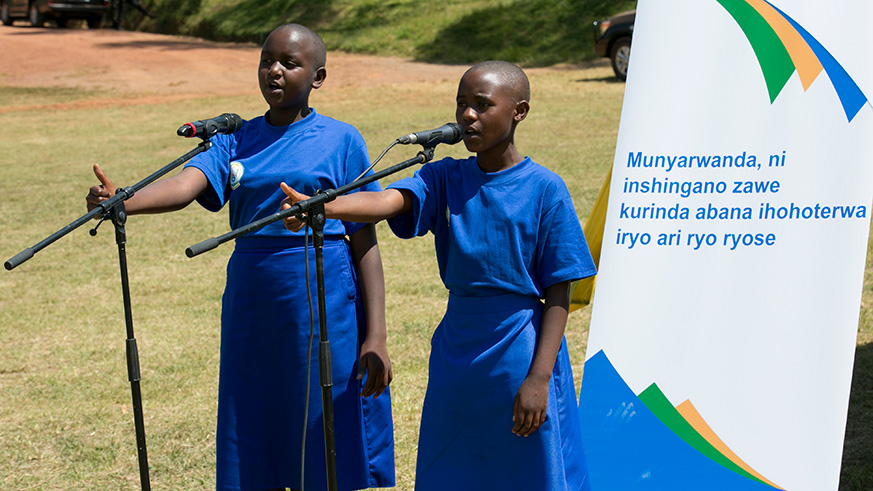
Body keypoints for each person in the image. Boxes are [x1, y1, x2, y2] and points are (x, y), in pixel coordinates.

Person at [86, 24, 395, 491]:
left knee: (320, 421)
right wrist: (124, 201)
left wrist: (377, 335)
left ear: (318, 76)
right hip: (252, 298)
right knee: (251, 414)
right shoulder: (233, 138)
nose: (274, 70)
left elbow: (364, 241)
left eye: (289, 63)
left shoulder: (341, 140)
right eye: (266, 60)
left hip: (322, 295)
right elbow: (185, 187)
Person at [281, 60, 596, 490]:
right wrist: (323, 207)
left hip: (519, 349)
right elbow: (389, 201)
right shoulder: (443, 175)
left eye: (482, 105)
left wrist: (539, 378)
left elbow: (560, 290)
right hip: (458, 350)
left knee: (526, 467)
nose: (467, 115)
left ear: (518, 111)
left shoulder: (545, 188)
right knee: (453, 466)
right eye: (461, 104)